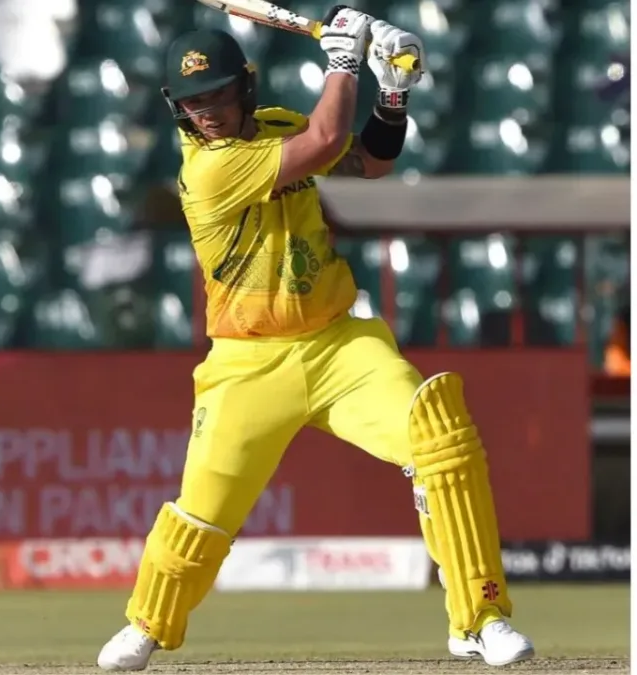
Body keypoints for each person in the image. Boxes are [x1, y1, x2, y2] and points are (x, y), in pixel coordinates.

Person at [96, 9, 534, 671]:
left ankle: (481, 617)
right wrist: (345, 61)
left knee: (440, 436)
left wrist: (392, 93)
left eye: (217, 94)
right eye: (192, 101)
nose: (206, 111)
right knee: (202, 513)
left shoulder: (277, 127)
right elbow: (327, 134)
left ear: (245, 87)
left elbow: (370, 161)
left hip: (339, 346)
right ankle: (146, 624)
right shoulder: (209, 169)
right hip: (247, 363)